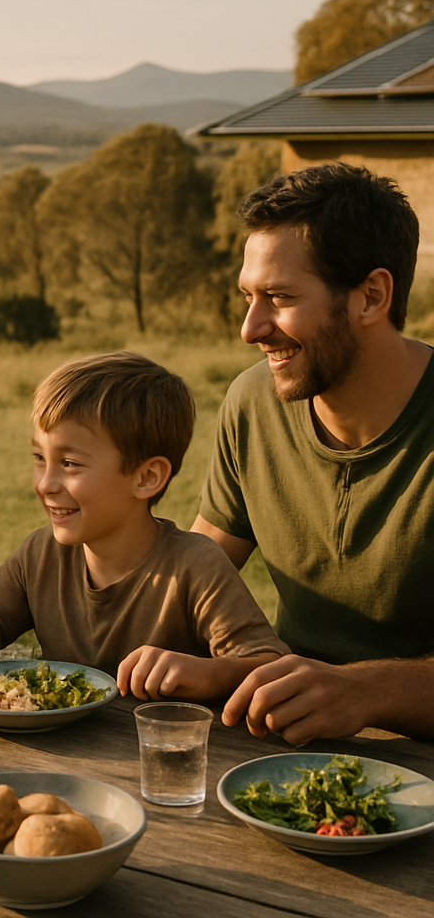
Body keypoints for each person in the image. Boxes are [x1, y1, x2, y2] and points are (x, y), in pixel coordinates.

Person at [193, 162, 434, 744]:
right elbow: (191, 576)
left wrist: (365, 691)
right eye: (249, 297)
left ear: (372, 295)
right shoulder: (253, 401)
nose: (252, 328)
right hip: (288, 750)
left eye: (278, 297)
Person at [0, 351, 286, 701]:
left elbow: (269, 664)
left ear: (146, 478)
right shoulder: (40, 554)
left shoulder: (194, 565)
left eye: (69, 463)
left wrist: (206, 673)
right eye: (40, 459)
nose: (45, 484)